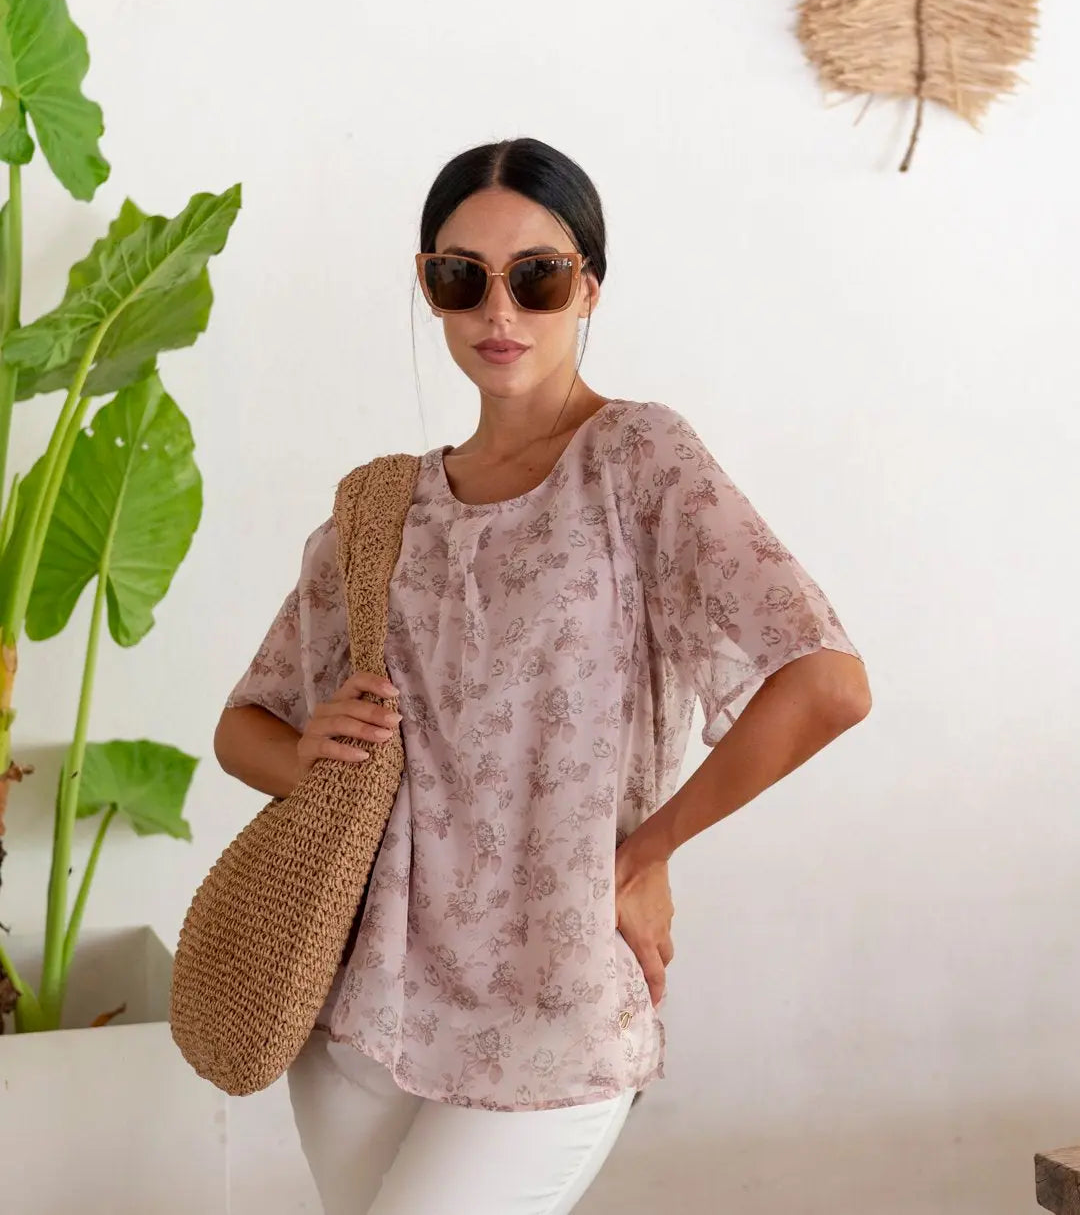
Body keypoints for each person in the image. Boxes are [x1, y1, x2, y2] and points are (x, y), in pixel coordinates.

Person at [214, 137, 871, 1215]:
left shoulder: (637, 460)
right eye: (461, 276)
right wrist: (309, 754)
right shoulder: (384, 508)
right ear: (429, 286)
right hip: (362, 1003)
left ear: (590, 287)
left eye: (538, 277)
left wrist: (648, 854)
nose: (499, 311)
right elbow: (244, 726)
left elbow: (826, 682)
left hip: (553, 1003)